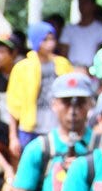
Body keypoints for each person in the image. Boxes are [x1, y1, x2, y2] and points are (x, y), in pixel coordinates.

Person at [7, 21, 73, 160]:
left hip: (57, 125)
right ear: (36, 40)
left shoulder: (63, 64)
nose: (50, 43)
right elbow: (13, 105)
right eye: (45, 39)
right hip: (31, 128)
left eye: (52, 39)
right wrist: (13, 136)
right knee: (32, 165)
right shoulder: (22, 67)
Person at [59, 0, 102, 69]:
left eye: (86, 2)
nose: (82, 6)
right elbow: (63, 55)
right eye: (80, 2)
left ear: (93, 5)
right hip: (72, 71)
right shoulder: (68, 29)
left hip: (94, 73)